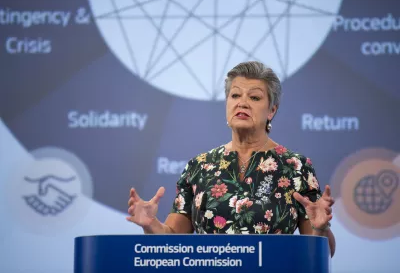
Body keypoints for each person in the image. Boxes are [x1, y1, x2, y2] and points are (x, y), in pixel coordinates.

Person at [127, 61, 336, 256]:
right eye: (235, 96)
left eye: (254, 98)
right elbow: (172, 241)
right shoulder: (199, 167)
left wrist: (321, 228)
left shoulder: (296, 167)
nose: (242, 103)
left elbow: (321, 253)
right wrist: (151, 224)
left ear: (272, 110)